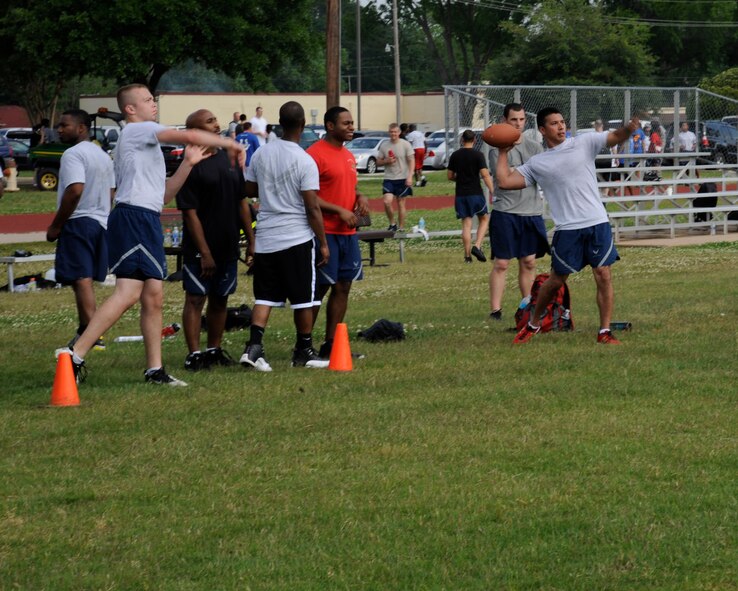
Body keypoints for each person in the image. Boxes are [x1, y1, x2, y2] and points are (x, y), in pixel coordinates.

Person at [58, 83, 245, 386]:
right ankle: (75, 354)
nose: (153, 104)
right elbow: (190, 135)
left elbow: (165, 196)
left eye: (153, 99)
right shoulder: (137, 131)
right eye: (146, 100)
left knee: (153, 296)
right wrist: (231, 144)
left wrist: (187, 164)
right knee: (128, 293)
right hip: (132, 218)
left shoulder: (146, 145)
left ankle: (154, 370)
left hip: (146, 217)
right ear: (131, 109)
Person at [495, 106, 639, 345]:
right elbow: (504, 181)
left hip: (596, 222)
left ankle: (604, 331)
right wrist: (502, 152)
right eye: (554, 123)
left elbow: (614, 137)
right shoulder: (538, 162)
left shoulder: (584, 143)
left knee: (603, 274)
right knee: (556, 281)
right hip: (568, 228)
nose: (561, 126)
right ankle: (533, 324)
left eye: (562, 122)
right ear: (542, 129)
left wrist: (628, 129)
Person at [239, 101, 330, 371]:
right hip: (296, 237)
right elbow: (312, 206)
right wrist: (323, 243)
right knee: (304, 297)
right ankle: (303, 349)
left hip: (267, 236)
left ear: (278, 122)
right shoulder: (304, 159)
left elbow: (249, 188)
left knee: (265, 296)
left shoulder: (262, 153)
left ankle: (254, 347)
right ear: (302, 125)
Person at [176, 109, 255, 372]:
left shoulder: (228, 159)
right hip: (200, 249)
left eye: (215, 120)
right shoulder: (191, 164)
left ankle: (214, 349)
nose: (217, 125)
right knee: (196, 298)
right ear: (195, 132)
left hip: (228, 245)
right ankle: (194, 355)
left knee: (221, 298)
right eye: (210, 122)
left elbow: (241, 202)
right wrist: (204, 251)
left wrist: (252, 239)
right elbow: (190, 213)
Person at [46, 109, 115, 352]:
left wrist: (56, 225)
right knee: (81, 278)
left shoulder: (72, 154)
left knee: (81, 277)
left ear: (82, 128)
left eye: (65, 125)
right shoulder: (103, 155)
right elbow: (112, 191)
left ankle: (92, 334)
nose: (60, 129)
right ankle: (83, 329)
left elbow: (75, 189)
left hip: (78, 221)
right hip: (100, 221)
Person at [306, 106, 370, 360]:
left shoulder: (347, 155)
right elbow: (308, 198)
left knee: (343, 286)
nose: (351, 127)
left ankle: (332, 344)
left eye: (352, 122)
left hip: (347, 234)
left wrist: (360, 196)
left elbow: (349, 186)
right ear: (330, 126)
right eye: (346, 123)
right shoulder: (314, 155)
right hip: (325, 232)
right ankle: (305, 345)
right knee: (319, 289)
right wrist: (339, 211)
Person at [487, 103, 547, 320]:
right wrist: (524, 171)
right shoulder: (497, 147)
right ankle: (495, 309)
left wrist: (519, 171)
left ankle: (527, 305)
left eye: (522, 119)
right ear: (505, 120)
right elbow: (504, 178)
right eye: (514, 120)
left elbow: (537, 174)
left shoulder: (535, 147)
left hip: (531, 212)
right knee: (502, 263)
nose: (518, 124)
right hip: (506, 212)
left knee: (529, 261)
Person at [447, 129, 492, 264]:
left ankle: (467, 257)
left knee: (466, 225)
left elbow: (450, 176)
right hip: (476, 193)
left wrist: (460, 179)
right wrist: (492, 190)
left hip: (461, 194)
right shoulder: (478, 155)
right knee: (484, 219)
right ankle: (477, 245)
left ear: (462, 140)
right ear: (475, 140)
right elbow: (484, 175)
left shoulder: (455, 155)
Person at [377, 123, 414, 232]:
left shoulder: (405, 144)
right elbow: (378, 162)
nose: (393, 134)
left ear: (399, 133)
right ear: (389, 132)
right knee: (387, 201)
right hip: (389, 178)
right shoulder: (384, 145)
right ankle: (392, 224)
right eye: (391, 132)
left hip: (403, 177)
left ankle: (401, 227)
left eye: (395, 132)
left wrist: (410, 176)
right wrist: (386, 161)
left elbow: (411, 160)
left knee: (401, 203)